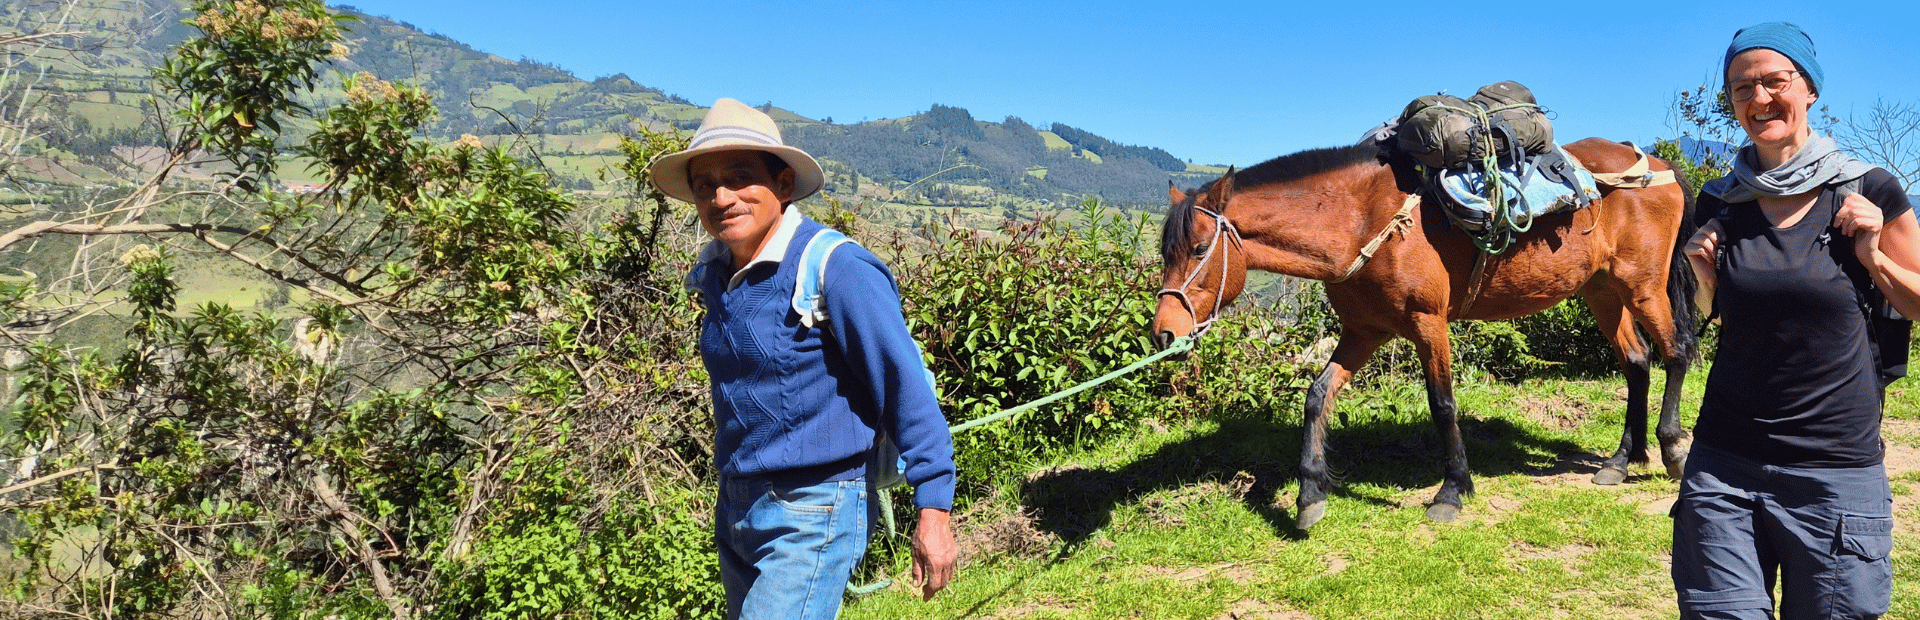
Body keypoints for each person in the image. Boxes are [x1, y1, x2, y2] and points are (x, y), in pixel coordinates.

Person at [651, 98, 958, 619]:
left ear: (784, 185)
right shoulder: (714, 276)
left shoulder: (836, 269)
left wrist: (934, 508)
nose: (721, 196)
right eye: (705, 184)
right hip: (738, 504)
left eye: (741, 177)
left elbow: (903, 386)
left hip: (815, 509)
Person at [1676, 22, 1920, 620]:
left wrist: (1874, 256)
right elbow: (1712, 321)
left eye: (1774, 82)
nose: (1759, 100)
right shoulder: (1720, 201)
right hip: (1723, 466)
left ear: (1808, 88)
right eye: (1741, 89)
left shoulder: (1868, 190)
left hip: (1834, 473)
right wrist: (1706, 281)